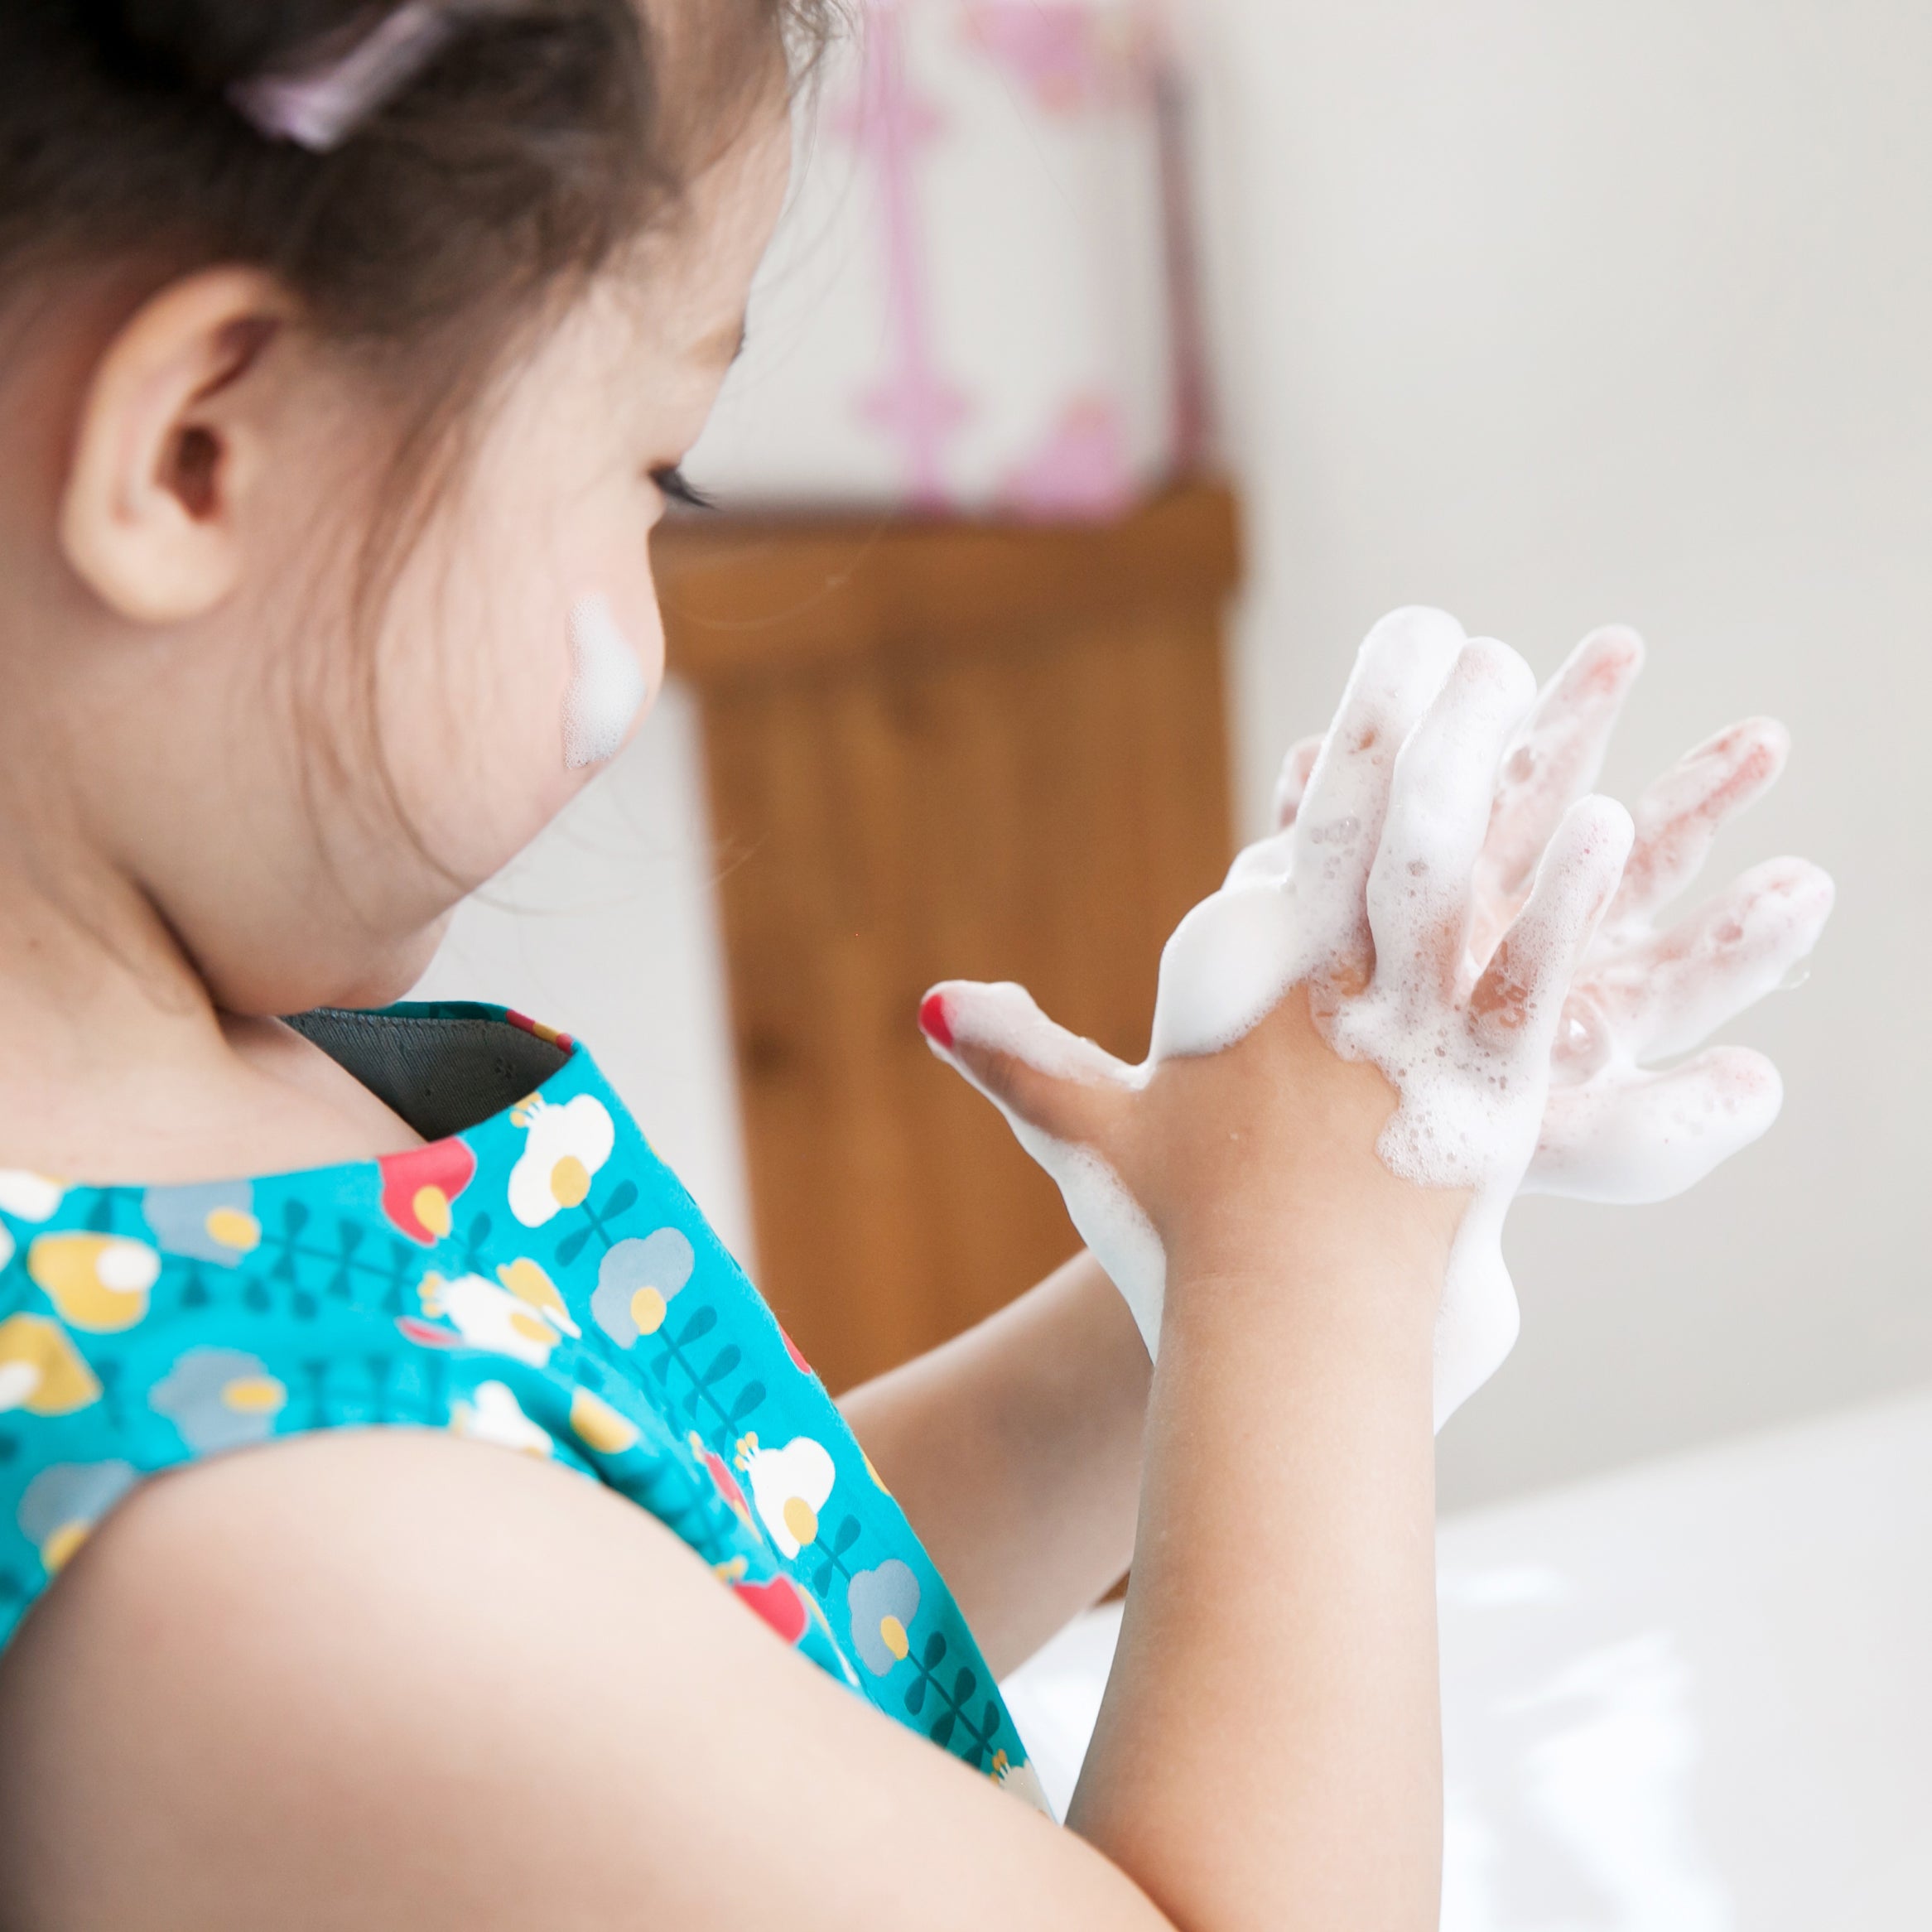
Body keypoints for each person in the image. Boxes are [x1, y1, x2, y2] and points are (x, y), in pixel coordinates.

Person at [0, 6, 1828, 1927]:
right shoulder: (252, 1579)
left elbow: (712, 1665)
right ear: (202, 451)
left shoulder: (218, 1146)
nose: (655, 618)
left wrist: (1186, 1294)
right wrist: (1313, 1290)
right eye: (652, 473)